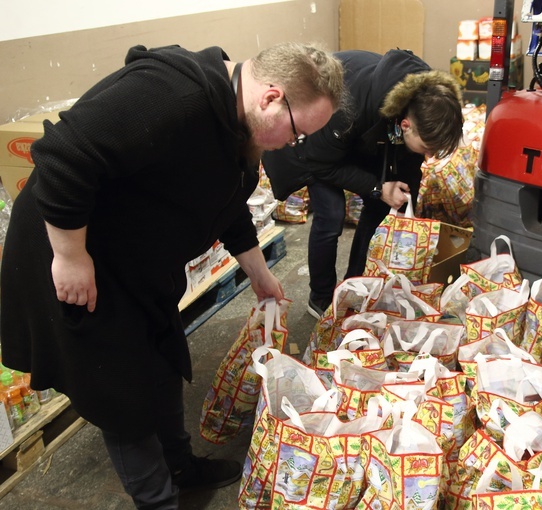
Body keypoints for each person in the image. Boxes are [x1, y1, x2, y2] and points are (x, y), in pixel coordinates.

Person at [0, 42, 344, 509]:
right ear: (270, 97)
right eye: (298, 133)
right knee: (122, 393)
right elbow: (62, 154)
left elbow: (226, 202)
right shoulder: (172, 96)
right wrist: (71, 256)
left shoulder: (239, 122)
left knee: (161, 359)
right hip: (73, 250)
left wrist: (258, 272)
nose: (292, 145)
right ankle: (158, 500)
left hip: (134, 260)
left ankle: (180, 466)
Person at [261, 49, 464, 318]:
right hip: (315, 144)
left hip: (360, 137)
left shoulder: (424, 102)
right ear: (405, 125)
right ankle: (320, 296)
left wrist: (402, 199)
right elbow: (321, 162)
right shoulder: (348, 108)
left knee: (381, 209)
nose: (428, 156)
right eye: (426, 148)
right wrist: (378, 188)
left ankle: (353, 287)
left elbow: (408, 164)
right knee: (331, 213)